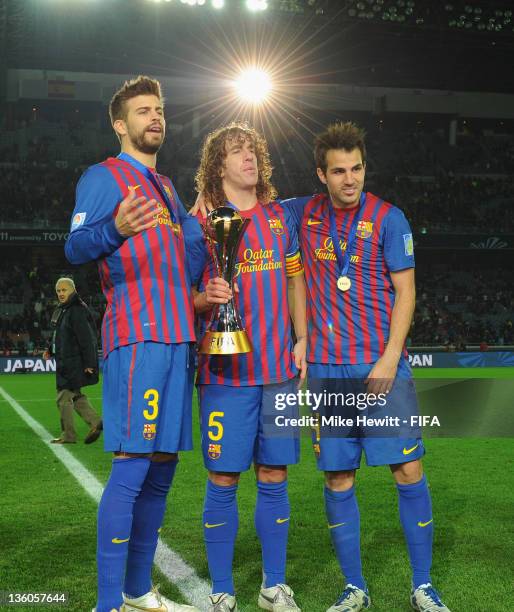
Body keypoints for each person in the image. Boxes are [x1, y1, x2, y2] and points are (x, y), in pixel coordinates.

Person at [280, 122, 451, 612]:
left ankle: (423, 585)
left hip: (381, 367)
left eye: (356, 168)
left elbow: (406, 291)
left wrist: (392, 356)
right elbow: (257, 209)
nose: (350, 178)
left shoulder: (389, 219)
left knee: (407, 469)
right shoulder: (304, 213)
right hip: (329, 372)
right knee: (337, 478)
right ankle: (355, 587)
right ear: (322, 174)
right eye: (339, 171)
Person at [65, 76, 199, 612]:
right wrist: (115, 228)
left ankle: (139, 589)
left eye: (160, 110)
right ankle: (107, 603)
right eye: (144, 111)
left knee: (163, 467)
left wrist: (204, 285)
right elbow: (75, 246)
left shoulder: (168, 189)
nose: (155, 118)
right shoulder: (103, 177)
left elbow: (187, 256)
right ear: (121, 124)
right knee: (133, 465)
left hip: (179, 339)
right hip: (138, 339)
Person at [190, 123, 307, 612]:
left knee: (275, 474)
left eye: (253, 151)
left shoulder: (280, 219)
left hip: (278, 370)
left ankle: (273, 587)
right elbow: (185, 298)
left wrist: (303, 338)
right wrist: (205, 298)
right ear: (219, 166)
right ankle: (222, 590)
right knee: (223, 478)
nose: (249, 159)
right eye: (237, 153)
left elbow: (296, 282)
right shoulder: (199, 223)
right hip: (225, 375)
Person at [44, 277, 102, 445]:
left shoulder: (76, 310)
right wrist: (50, 349)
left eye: (64, 290)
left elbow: (87, 339)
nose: (61, 293)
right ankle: (95, 422)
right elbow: (59, 335)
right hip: (66, 362)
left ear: (73, 290)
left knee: (63, 398)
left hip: (73, 363)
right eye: (58, 291)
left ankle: (68, 435)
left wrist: (90, 364)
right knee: (76, 396)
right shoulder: (64, 309)